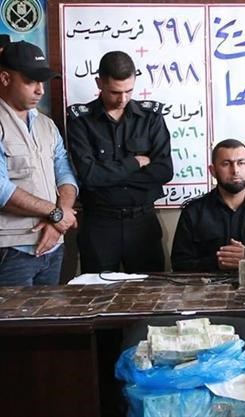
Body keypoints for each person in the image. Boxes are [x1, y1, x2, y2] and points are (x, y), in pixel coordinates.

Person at [67, 51, 173, 273]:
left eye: (129, 91)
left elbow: (164, 171)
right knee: (97, 291)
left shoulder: (151, 118)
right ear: (99, 83)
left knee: (150, 290)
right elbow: (89, 176)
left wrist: (107, 176)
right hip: (100, 224)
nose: (123, 99)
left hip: (142, 221)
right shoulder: (81, 121)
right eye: (115, 92)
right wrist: (134, 163)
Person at [0, 41, 78, 286]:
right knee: (14, 313)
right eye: (31, 81)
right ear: (5, 78)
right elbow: (1, 190)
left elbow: (65, 173)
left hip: (53, 246)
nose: (40, 90)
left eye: (42, 82)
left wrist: (58, 222)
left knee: (50, 312)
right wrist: (55, 213)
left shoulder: (46, 125)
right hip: (11, 251)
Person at [171, 139, 245, 272]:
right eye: (226, 164)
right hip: (208, 284)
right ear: (213, 170)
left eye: (241, 163)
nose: (235, 170)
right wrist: (217, 262)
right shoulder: (194, 211)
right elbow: (179, 264)